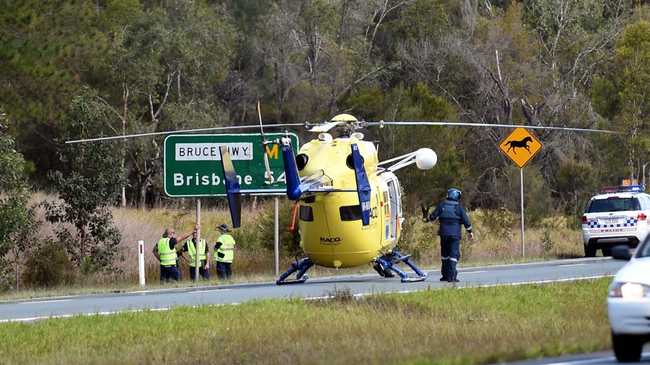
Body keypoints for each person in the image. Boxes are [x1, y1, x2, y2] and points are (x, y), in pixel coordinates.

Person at [426, 188, 473, 282]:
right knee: (453, 255)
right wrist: (470, 232)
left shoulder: (442, 205)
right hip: (455, 235)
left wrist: (428, 218)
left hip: (443, 234)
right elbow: (466, 222)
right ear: (457, 196)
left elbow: (432, 217)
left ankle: (445, 276)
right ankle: (451, 277)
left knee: (445, 255)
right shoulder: (459, 208)